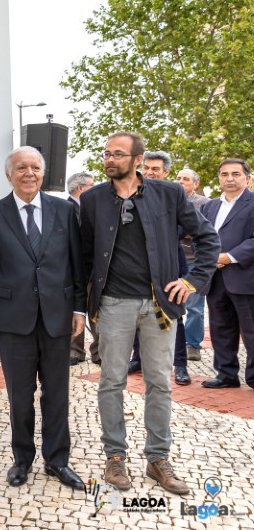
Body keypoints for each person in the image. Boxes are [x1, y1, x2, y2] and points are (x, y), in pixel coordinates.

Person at [80, 132, 218, 495]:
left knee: (159, 382)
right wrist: (82, 305)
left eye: (119, 154)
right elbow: (83, 256)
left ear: (138, 160)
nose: (110, 160)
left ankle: (158, 459)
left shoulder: (170, 194)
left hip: (159, 305)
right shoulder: (93, 199)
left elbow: (207, 238)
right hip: (112, 305)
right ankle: (115, 457)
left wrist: (191, 281)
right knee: (111, 381)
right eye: (107, 154)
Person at [0, 147, 86, 490]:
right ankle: (22, 460)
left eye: (35, 167)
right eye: (21, 167)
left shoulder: (65, 210)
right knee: (20, 397)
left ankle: (57, 461)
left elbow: (76, 263)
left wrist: (79, 308)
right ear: (9, 174)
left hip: (57, 317)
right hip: (12, 320)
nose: (29, 173)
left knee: (57, 394)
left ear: (43, 172)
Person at [129, 150, 192, 386]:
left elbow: (188, 227)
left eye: (155, 169)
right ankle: (138, 358)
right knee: (137, 312)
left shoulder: (173, 195)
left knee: (174, 316)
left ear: (166, 172)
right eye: (146, 168)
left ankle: (181, 365)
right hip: (138, 268)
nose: (149, 172)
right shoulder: (132, 193)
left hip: (170, 266)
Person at [200, 159, 254, 390]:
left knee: (251, 330)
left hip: (245, 276)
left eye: (235, 173)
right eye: (224, 174)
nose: (229, 178)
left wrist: (228, 257)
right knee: (221, 328)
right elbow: (200, 236)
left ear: (247, 177)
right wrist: (208, 257)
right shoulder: (209, 207)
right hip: (216, 278)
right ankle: (226, 374)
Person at [176, 168, 210, 360]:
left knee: (194, 307)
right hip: (172, 261)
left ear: (196, 184)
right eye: (178, 178)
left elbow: (206, 232)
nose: (180, 181)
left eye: (186, 179)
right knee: (170, 305)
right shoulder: (168, 200)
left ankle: (193, 345)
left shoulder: (204, 204)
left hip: (193, 263)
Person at [66, 171, 96, 365]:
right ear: (82, 188)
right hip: (71, 270)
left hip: (92, 269)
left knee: (95, 312)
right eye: (93, 185)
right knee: (74, 311)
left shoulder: (93, 208)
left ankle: (99, 352)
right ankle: (75, 352)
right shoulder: (64, 208)